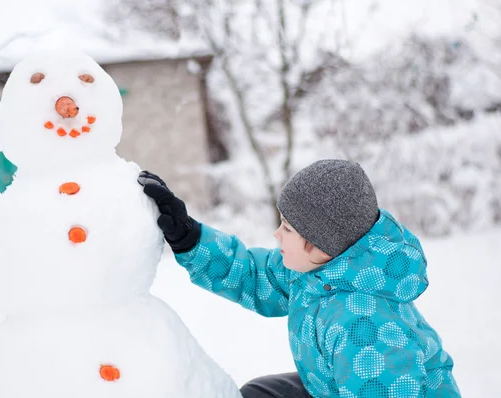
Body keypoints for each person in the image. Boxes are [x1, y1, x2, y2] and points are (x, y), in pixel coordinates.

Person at [137, 159, 460, 397]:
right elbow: (255, 276)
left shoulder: (364, 326)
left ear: (321, 242)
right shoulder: (319, 270)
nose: (276, 234)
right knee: (260, 394)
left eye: (288, 228)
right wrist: (190, 238)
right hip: (333, 386)